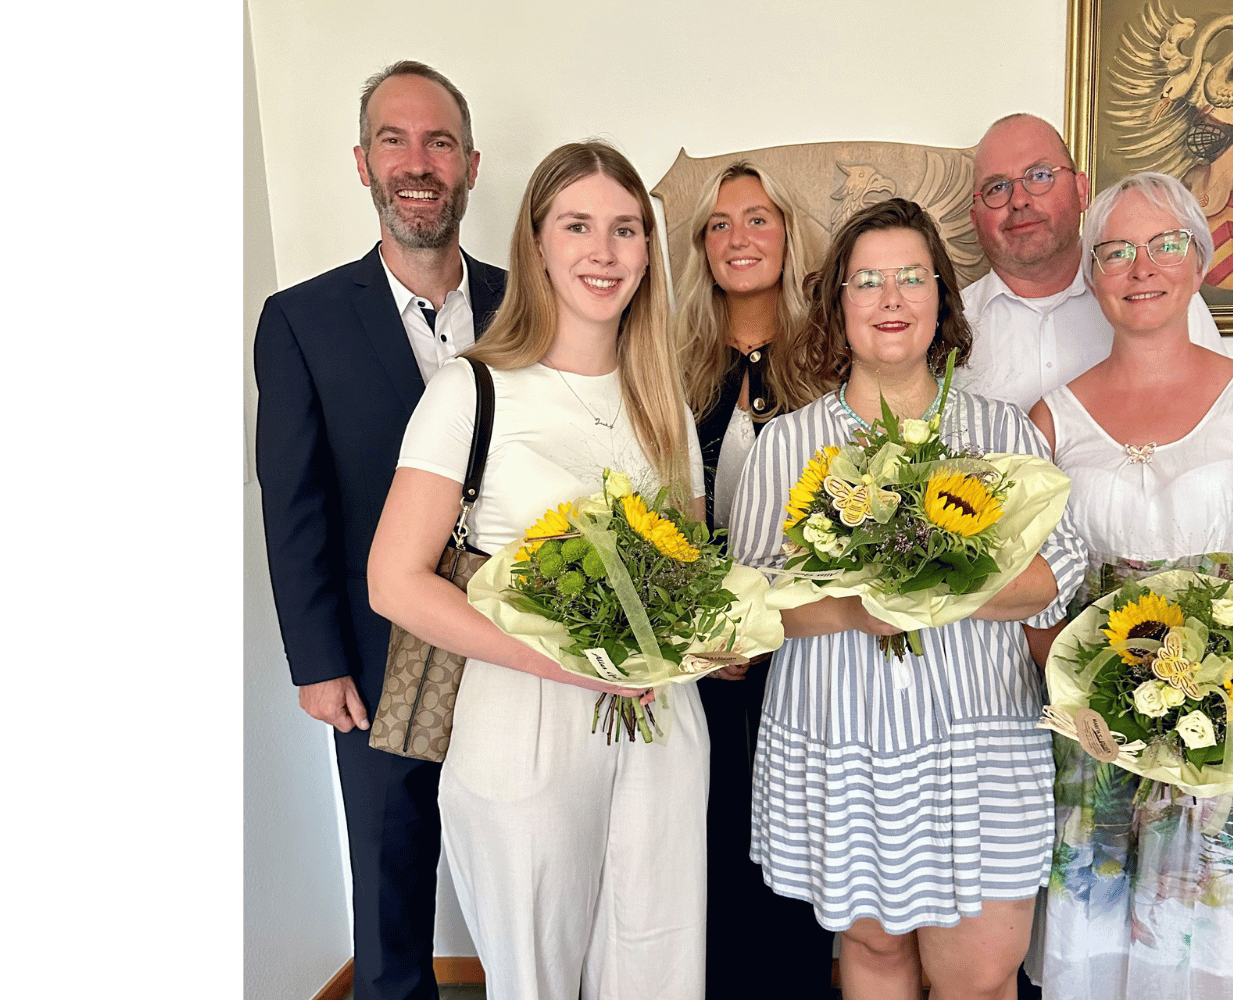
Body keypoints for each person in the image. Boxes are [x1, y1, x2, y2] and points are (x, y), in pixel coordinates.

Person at [366, 140, 708, 1000]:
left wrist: (714, 635)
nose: (605, 251)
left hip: (661, 724)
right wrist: (559, 662)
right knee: (535, 979)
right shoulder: (471, 389)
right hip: (522, 719)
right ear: (537, 242)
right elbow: (395, 580)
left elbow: (690, 571)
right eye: (579, 225)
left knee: (658, 970)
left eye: (627, 229)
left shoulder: (662, 396)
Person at [727, 198, 1087, 1000]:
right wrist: (859, 609)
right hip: (838, 740)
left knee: (981, 979)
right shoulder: (787, 443)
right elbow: (751, 605)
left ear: (941, 299)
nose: (892, 299)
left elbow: (1053, 576)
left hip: (979, 746)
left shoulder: (1000, 434)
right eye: (868, 282)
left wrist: (936, 587)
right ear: (837, 306)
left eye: (912, 278)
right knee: (876, 954)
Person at [1025, 171, 1233, 999]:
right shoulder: (1051, 420)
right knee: (1106, 943)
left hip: (1231, 738)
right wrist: (1085, 699)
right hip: (1100, 742)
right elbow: (1036, 596)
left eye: (1164, 244)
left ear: (1199, 260)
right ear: (1091, 276)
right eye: (1116, 251)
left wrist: (1222, 708)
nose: (1140, 266)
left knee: (1216, 946)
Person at [252, 60, 506, 1000]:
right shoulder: (301, 321)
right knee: (393, 871)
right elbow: (296, 502)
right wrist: (318, 663)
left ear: (471, 164)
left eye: (439, 141)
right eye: (394, 140)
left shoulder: (536, 303)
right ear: (362, 163)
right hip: (374, 650)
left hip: (520, 636)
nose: (418, 162)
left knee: (527, 858)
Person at [670, 163, 838, 998]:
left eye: (758, 218)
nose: (739, 238)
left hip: (809, 651)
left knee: (800, 846)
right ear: (700, 247)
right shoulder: (670, 364)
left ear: (787, 234)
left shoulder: (831, 362)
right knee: (707, 835)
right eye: (719, 224)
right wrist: (709, 629)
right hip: (702, 656)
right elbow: (657, 515)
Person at [956, 113, 1226, 413]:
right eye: (996, 188)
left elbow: (1219, 422)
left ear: (1081, 190)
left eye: (1040, 176)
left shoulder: (1160, 297)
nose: (1019, 200)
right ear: (975, 219)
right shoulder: (945, 327)